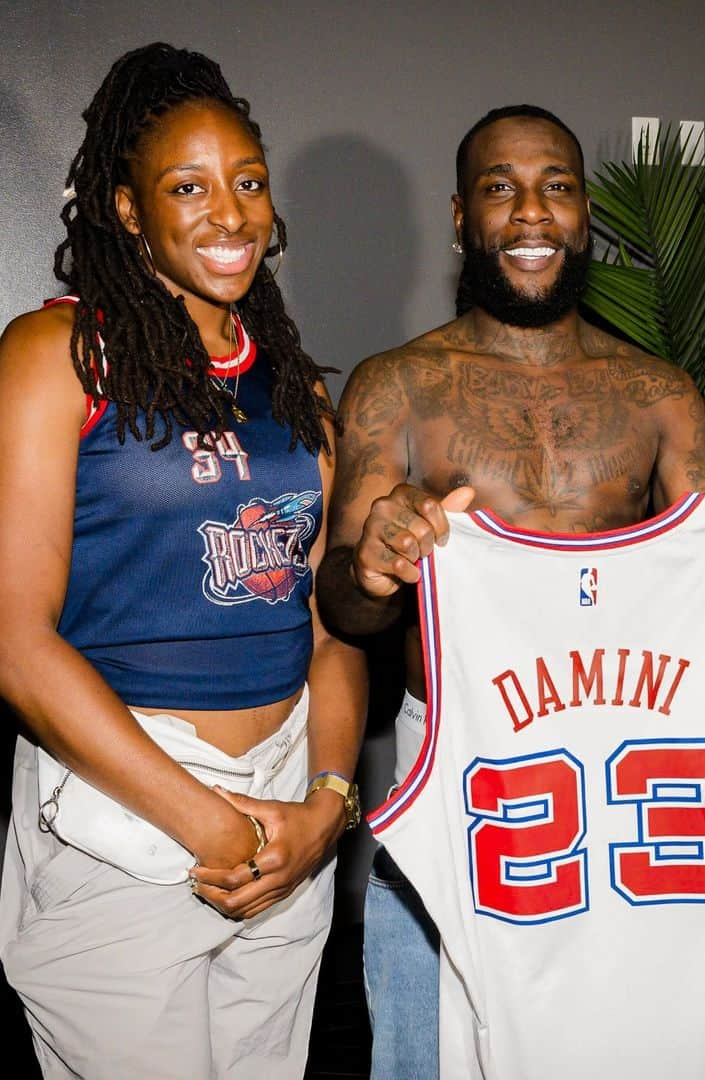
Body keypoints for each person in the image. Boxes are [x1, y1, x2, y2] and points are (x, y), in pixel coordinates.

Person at [316, 104, 705, 1079]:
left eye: (557, 186)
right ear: (462, 215)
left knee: (636, 1046)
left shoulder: (659, 392)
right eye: (501, 188)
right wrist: (376, 564)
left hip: (631, 779)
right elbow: (344, 606)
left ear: (586, 213)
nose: (531, 211)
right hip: (465, 768)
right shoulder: (397, 385)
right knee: (431, 1051)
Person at [0, 43, 366, 1079]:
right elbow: (14, 644)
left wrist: (325, 812)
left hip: (288, 807)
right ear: (126, 209)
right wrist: (208, 820)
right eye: (188, 187)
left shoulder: (299, 394)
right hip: (129, 803)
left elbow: (330, 632)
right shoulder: (55, 356)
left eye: (247, 183)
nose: (230, 214)